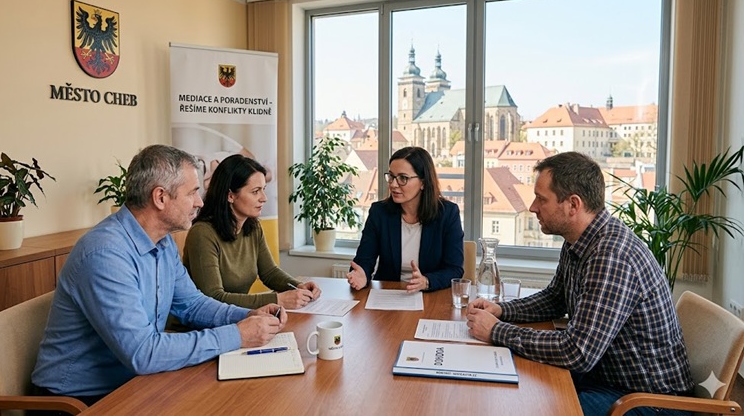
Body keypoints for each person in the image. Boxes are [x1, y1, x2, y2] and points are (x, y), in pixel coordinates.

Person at [32, 145, 286, 407]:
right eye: (192, 193)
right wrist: (237, 335)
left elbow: (192, 304)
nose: (200, 202)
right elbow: (143, 353)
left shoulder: (162, 243)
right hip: (78, 401)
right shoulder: (105, 254)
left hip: (134, 384)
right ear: (160, 198)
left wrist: (246, 316)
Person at [466, 152, 693, 416]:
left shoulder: (611, 256)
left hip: (647, 401)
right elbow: (555, 298)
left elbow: (577, 351)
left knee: (528, 404)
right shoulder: (579, 239)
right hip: (605, 378)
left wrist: (497, 331)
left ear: (573, 205)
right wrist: (503, 311)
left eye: (541, 199)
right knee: (513, 383)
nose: (532, 207)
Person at [184, 154, 321, 309]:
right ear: (230, 195)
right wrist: (277, 300)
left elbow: (269, 272)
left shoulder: (253, 227)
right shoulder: (202, 234)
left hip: (238, 318)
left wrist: (298, 286)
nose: (264, 198)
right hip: (199, 328)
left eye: (263, 190)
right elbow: (214, 298)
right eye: (255, 191)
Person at [347, 146, 463, 293]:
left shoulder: (447, 214)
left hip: (431, 296)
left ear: (423, 182)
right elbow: (364, 259)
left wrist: (427, 281)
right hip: (388, 295)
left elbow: (454, 269)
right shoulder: (379, 212)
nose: (393, 184)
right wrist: (361, 274)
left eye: (403, 178)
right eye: (391, 176)